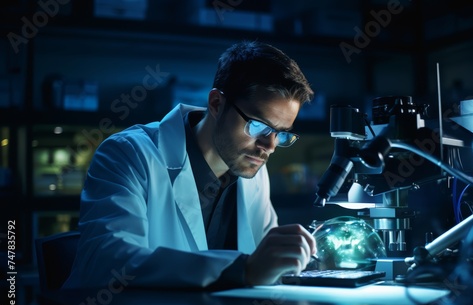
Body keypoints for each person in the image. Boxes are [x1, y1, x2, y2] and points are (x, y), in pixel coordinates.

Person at [63, 40, 317, 290]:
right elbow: (109, 263)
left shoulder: (253, 171)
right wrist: (243, 270)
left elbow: (268, 268)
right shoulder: (128, 154)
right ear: (217, 104)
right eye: (259, 126)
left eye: (280, 133)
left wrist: (297, 259)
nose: (269, 146)